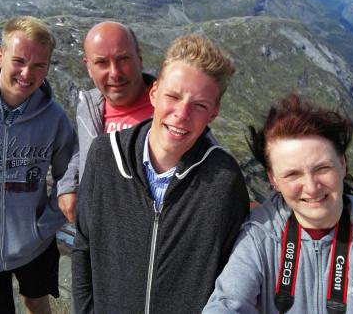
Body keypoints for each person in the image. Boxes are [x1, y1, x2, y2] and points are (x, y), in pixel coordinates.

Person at [203, 94, 353, 314]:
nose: (312, 187)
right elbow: (227, 303)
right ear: (273, 179)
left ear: (343, 165)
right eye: (293, 174)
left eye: (322, 168)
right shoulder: (260, 236)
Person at [72, 34, 250, 313]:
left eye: (200, 105)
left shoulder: (224, 180)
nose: (181, 114)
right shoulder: (105, 156)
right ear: (154, 93)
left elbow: (230, 273)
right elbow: (84, 245)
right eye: (173, 96)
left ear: (213, 113)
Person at [0, 16, 76, 313]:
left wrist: (44, 226)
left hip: (34, 242)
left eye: (38, 65)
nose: (27, 73)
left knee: (38, 302)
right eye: (19, 61)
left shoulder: (53, 117)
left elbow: (69, 171)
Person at [57, 21, 154, 222]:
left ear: (140, 59)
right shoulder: (89, 106)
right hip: (99, 233)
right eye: (102, 63)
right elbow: (82, 150)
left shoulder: (171, 108)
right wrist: (68, 185)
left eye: (123, 59)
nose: (115, 73)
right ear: (89, 67)